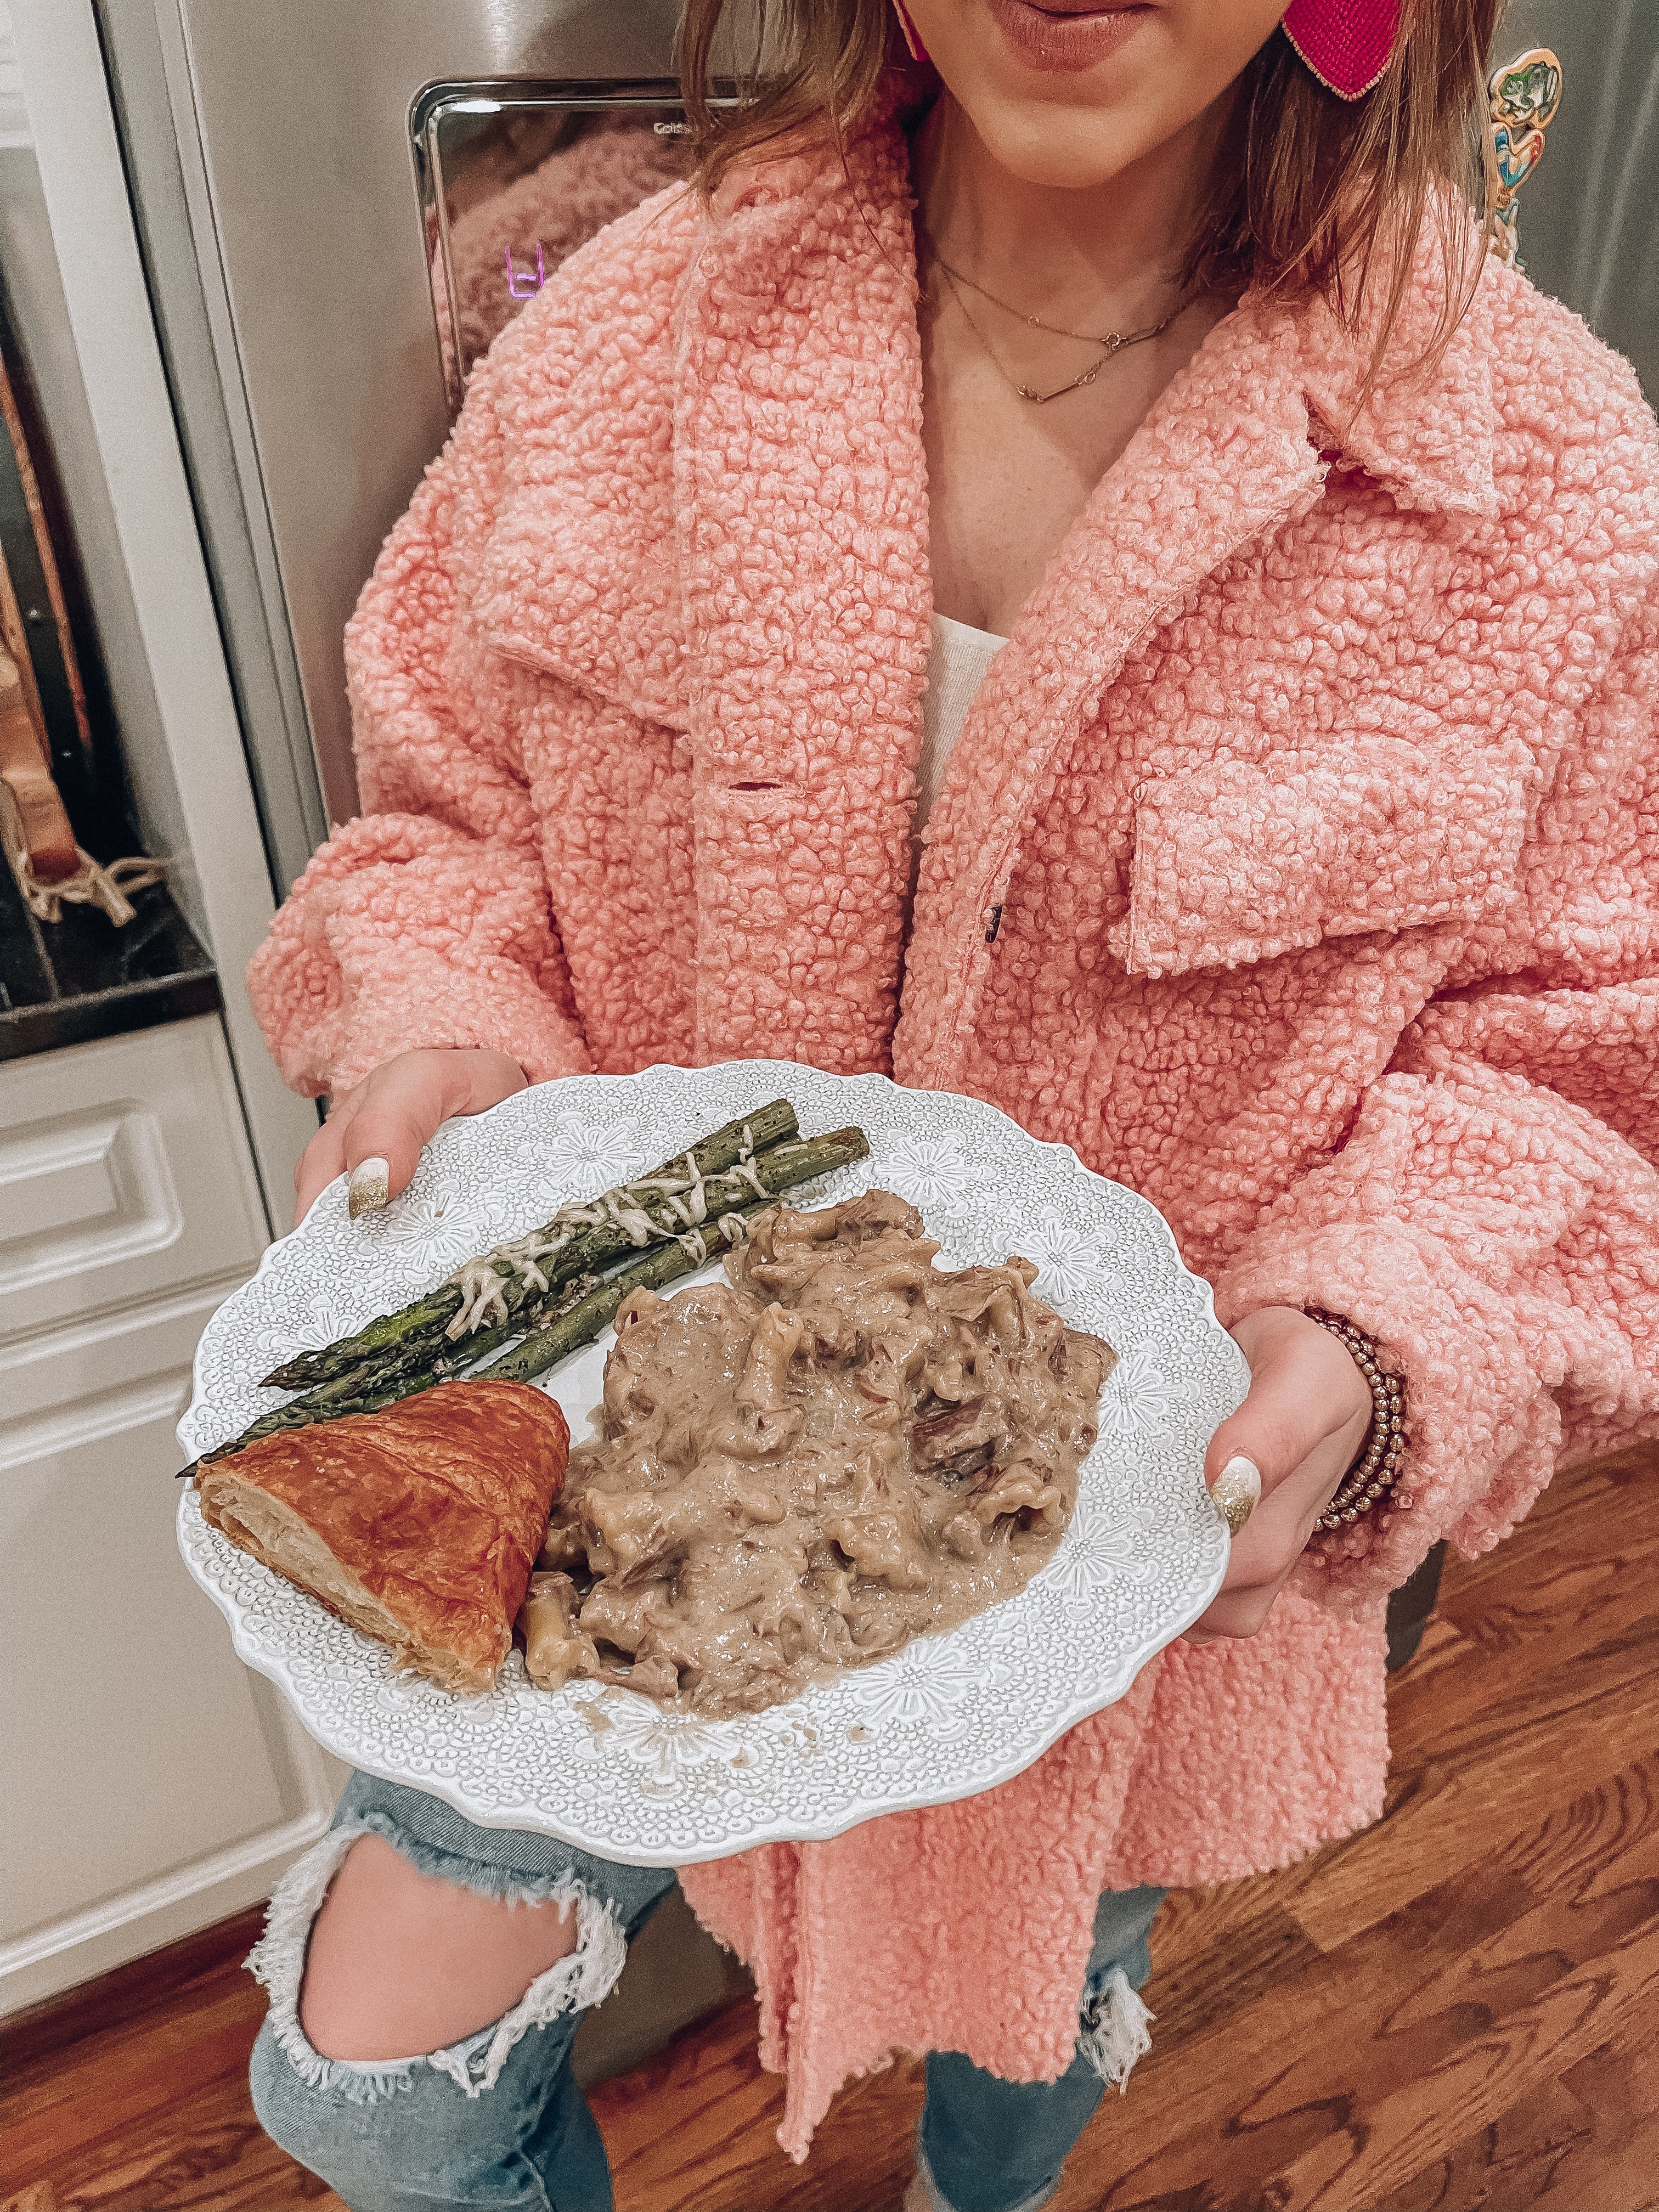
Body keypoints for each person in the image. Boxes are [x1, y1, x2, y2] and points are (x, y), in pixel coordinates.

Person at [241, 3, 1659, 2207]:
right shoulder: (628, 327)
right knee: (365, 2081)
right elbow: (446, 816)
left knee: (1037, 2003)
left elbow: (1572, 1056)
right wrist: (445, 1024)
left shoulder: (1539, 477)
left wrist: (1380, 1354)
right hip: (616, 1497)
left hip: (1098, 1570)